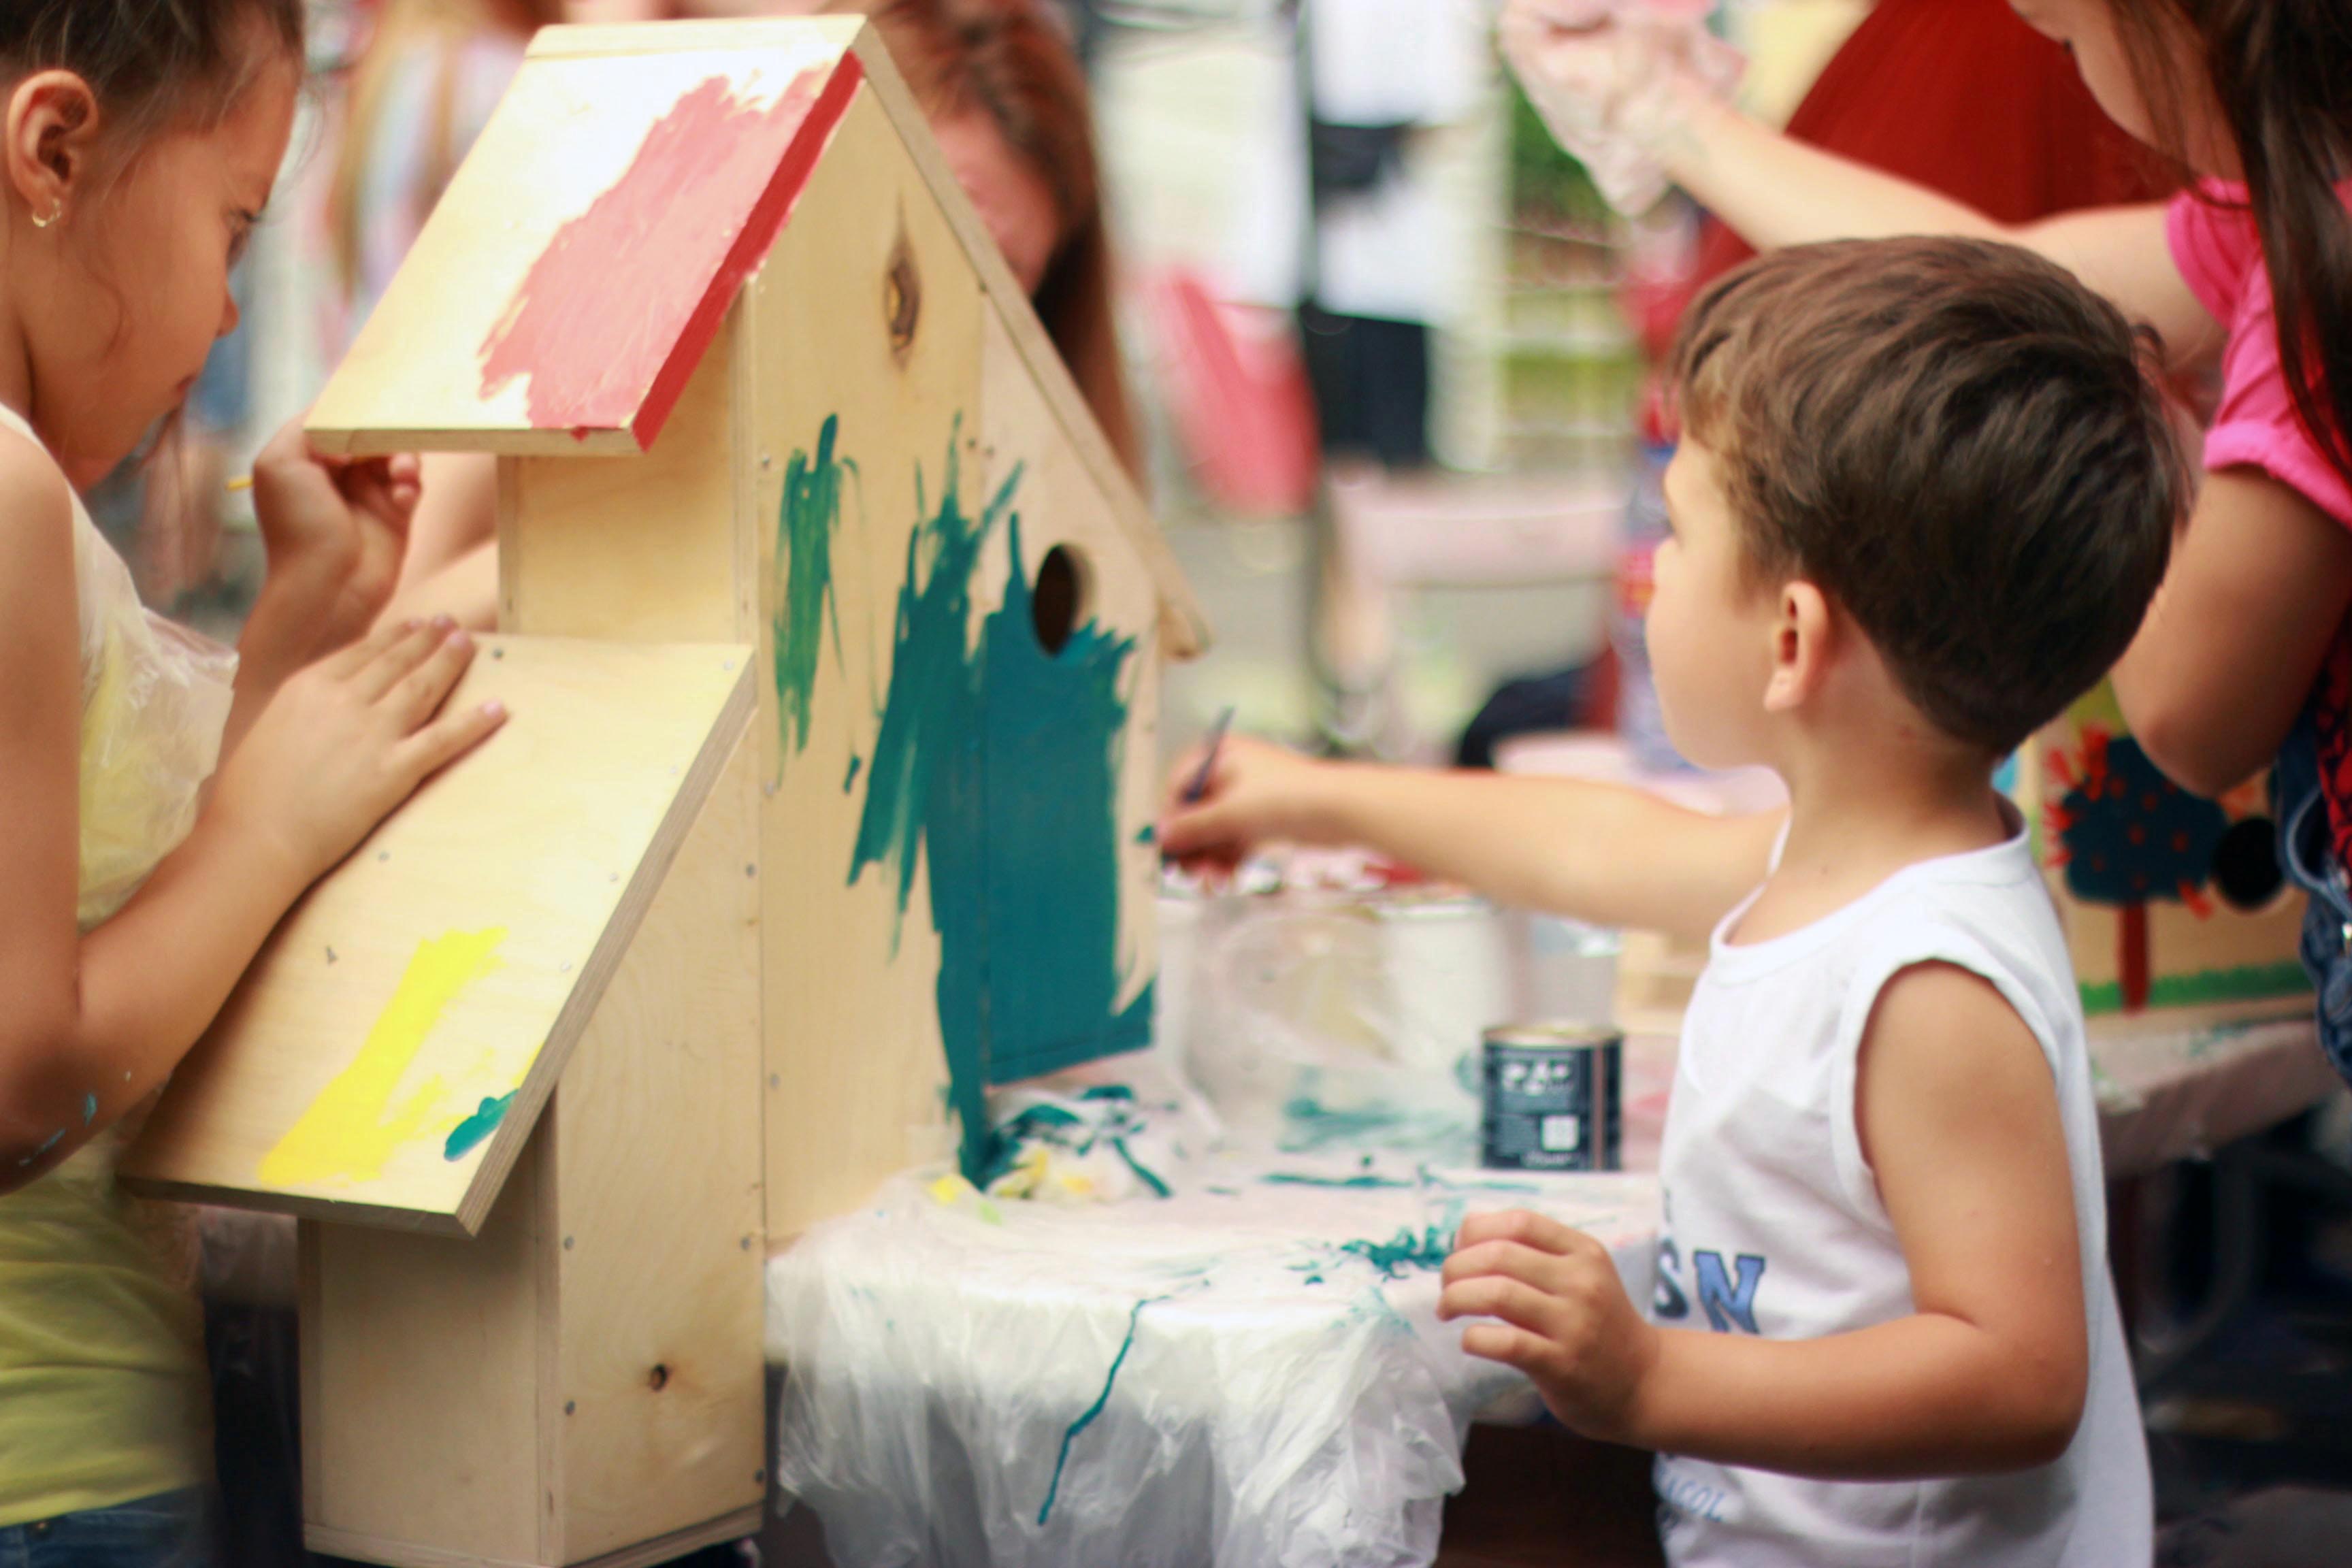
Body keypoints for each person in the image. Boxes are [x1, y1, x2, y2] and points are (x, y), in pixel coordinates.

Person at [1162, 237, 2180, 1563]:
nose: (1646, 577)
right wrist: (1313, 796)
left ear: (1794, 639)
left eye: (1678, 534)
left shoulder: (1926, 979)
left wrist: (1649, 1382)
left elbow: (2017, 1377)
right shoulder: (1844, 860)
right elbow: (1596, 848)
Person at [1503, 0, 2352, 1083]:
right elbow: (2002, 270)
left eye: (2069, 41)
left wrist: (2141, 438)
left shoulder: (2324, 279)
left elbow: (2191, 714)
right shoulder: (2296, 212)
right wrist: (1658, 104)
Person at [0, 3, 506, 1560]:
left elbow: (104, 927)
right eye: (233, 221)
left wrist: (287, 653)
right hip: (57, 1487)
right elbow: (29, 1082)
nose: (231, 313)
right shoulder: (3, 497)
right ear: (56, 149)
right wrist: (271, 818)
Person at [381, 0, 1138, 628]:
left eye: (1000, 275)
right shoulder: (596, 327)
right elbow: (380, 634)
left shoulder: (1025, 507)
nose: (936, 298)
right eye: (915, 232)